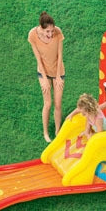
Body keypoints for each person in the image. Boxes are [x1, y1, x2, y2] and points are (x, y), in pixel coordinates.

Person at [28, 12, 65, 143]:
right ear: (41, 28)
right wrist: (44, 79)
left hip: (58, 71)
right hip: (43, 71)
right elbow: (38, 59)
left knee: (58, 103)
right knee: (48, 103)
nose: (50, 34)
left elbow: (60, 55)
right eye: (47, 31)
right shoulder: (33, 35)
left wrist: (58, 76)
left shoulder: (58, 32)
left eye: (52, 30)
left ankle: (57, 131)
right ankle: (45, 132)